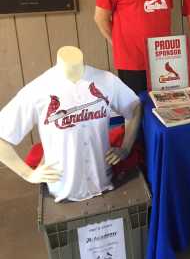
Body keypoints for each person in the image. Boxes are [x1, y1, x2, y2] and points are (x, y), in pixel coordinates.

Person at [0, 46, 141, 202]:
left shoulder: (106, 80)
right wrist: (28, 174)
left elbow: (135, 106)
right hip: (62, 187)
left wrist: (126, 148)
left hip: (103, 180)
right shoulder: (38, 89)